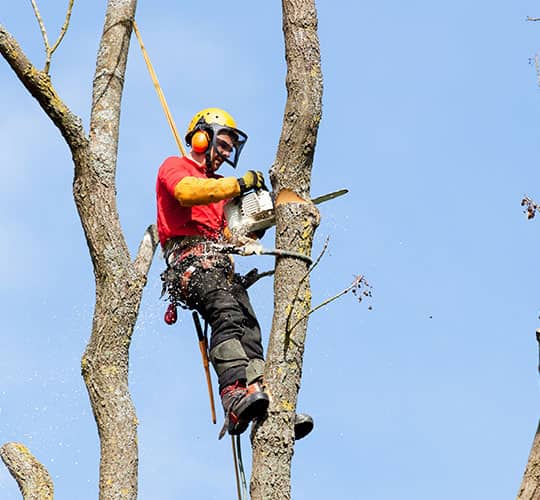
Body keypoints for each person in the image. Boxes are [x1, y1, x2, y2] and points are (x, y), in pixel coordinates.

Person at [157, 107, 313, 439]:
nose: (227, 153)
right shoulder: (177, 167)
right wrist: (238, 185)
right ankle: (233, 392)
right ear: (202, 137)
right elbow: (186, 193)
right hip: (190, 262)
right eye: (223, 144)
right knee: (226, 314)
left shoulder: (220, 189)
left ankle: (263, 398)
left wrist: (252, 229)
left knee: (248, 326)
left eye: (230, 148)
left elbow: (228, 233)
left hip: (219, 265)